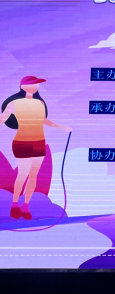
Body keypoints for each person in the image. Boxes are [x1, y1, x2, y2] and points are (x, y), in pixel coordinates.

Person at [0, 76, 71, 220]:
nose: (35, 86)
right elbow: (2, 119)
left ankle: (26, 205)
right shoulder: (14, 103)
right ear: (23, 86)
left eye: (37, 84)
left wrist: (61, 127)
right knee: (22, 174)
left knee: (33, 175)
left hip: (39, 142)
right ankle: (15, 203)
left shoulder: (40, 103)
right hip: (22, 142)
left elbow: (43, 120)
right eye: (32, 84)